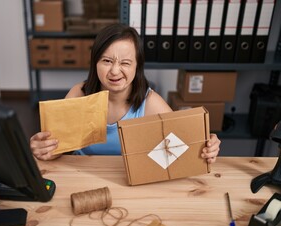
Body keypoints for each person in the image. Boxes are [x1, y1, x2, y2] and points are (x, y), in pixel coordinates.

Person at [30, 23, 221, 162]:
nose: (114, 71)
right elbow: (56, 149)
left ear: (137, 67)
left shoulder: (150, 102)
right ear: (95, 63)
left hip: (130, 179)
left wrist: (207, 147)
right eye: (106, 61)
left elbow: (186, 143)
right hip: (84, 175)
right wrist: (44, 149)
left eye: (125, 63)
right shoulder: (79, 93)